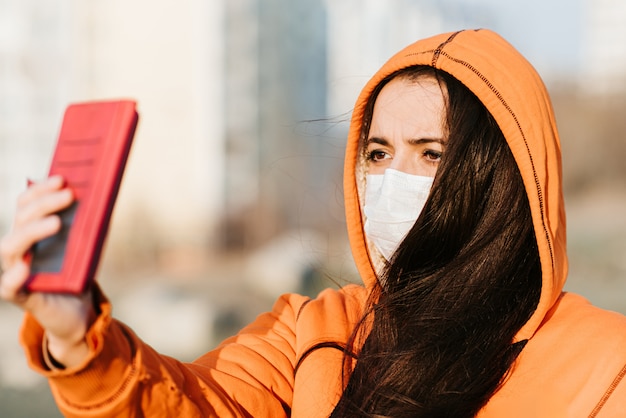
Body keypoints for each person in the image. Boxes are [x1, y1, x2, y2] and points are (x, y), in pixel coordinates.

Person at [1, 28, 625, 417]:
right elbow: (189, 406)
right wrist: (77, 338)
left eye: (431, 153)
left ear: (500, 179)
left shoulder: (605, 365)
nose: (391, 180)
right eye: (377, 153)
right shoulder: (311, 335)